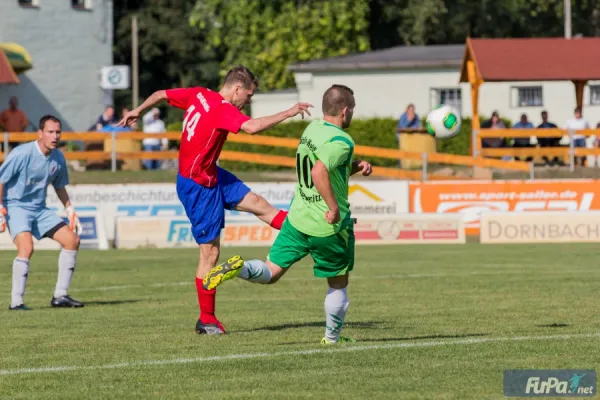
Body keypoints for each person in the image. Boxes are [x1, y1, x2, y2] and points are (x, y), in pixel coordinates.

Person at [118, 65, 312, 334]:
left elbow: (161, 93)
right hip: (198, 184)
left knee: (258, 204)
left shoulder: (199, 95)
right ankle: (207, 319)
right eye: (249, 95)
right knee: (210, 253)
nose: (248, 101)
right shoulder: (222, 108)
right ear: (237, 89)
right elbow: (253, 128)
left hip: (212, 174)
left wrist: (138, 110)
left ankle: (306, 232)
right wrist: (290, 112)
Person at [202, 84, 373, 344]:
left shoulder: (312, 130)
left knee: (270, 272)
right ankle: (332, 338)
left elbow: (326, 167)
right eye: (353, 109)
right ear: (345, 110)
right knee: (338, 283)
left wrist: (355, 166)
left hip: (296, 220)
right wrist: (334, 208)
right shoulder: (342, 141)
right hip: (326, 228)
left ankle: (239, 269)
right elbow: (319, 172)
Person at [0, 115, 83, 310]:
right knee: (26, 248)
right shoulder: (22, 153)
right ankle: (16, 302)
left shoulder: (58, 157)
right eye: (50, 132)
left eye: (57, 132)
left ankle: (60, 296)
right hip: (16, 206)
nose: (55, 136)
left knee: (72, 240)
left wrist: (69, 209)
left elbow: (59, 186)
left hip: (39, 208)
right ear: (40, 133)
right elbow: (1, 179)